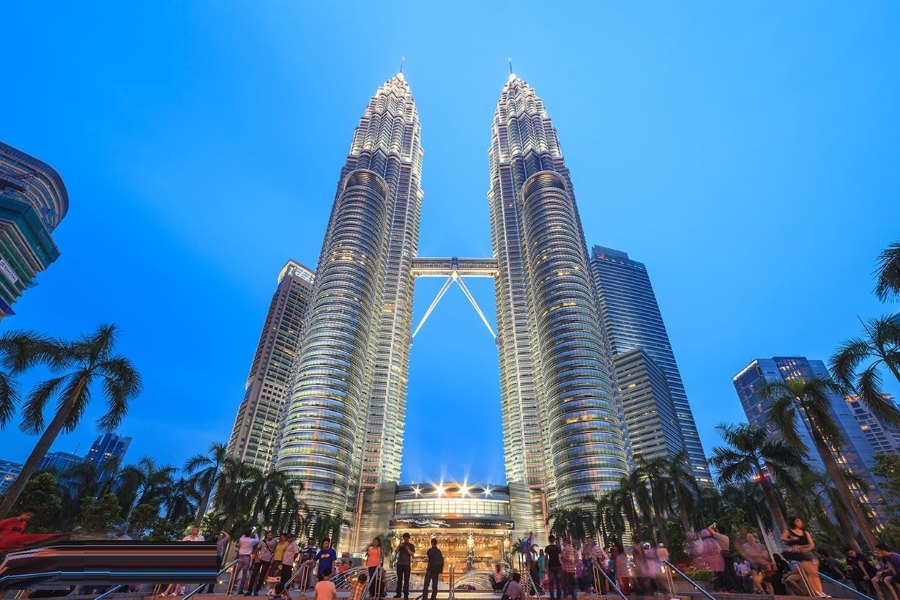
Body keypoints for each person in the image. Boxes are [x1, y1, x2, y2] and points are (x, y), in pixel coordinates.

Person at [782, 516, 827, 598]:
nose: (799, 523)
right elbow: (783, 538)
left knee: (815, 573)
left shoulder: (805, 532)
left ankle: (820, 591)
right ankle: (816, 592)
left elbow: (812, 545)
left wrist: (803, 548)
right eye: (797, 521)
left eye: (800, 521)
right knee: (809, 573)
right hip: (797, 554)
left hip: (807, 552)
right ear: (793, 522)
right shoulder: (789, 531)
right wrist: (791, 539)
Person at [161, 526, 205, 596]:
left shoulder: (201, 538)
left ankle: (171, 591)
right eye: (193, 530)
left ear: (198, 531)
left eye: (196, 530)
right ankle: (171, 592)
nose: (194, 531)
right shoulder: (186, 538)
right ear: (191, 530)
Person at [247, 530, 277, 596]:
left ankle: (256, 590)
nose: (269, 536)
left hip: (267, 560)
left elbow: (276, 549)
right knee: (254, 574)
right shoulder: (262, 541)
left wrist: (273, 557)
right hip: (260, 559)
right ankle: (249, 590)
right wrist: (256, 557)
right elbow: (256, 550)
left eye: (271, 535)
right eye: (268, 535)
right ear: (266, 535)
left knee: (262, 576)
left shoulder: (275, 541)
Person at [234, 528, 260, 594]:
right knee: (244, 574)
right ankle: (240, 589)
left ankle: (230, 587)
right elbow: (257, 540)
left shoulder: (241, 539)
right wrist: (255, 533)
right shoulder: (251, 541)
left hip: (240, 557)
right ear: (250, 534)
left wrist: (247, 532)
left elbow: (243, 536)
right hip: (247, 557)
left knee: (236, 572)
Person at [394, 533, 415, 600]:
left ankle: (406, 595)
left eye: (406, 538)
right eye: (404, 538)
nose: (405, 539)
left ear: (409, 538)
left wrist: (407, 549)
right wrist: (398, 547)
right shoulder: (401, 545)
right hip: (400, 564)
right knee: (399, 579)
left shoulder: (411, 545)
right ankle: (398, 594)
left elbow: (412, 554)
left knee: (406, 580)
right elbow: (396, 552)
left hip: (407, 565)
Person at [545, 535, 562, 600]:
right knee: (558, 583)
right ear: (554, 540)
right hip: (558, 565)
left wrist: (546, 567)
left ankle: (552, 597)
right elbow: (560, 557)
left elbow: (546, 558)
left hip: (551, 566)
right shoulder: (558, 547)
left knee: (551, 583)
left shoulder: (547, 548)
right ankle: (559, 597)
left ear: (549, 540)